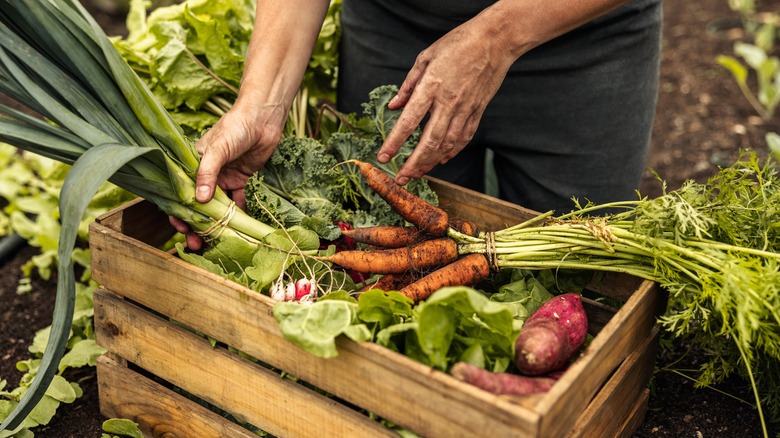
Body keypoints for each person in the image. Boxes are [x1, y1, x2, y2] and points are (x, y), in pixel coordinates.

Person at [171, 0, 662, 250]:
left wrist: (496, 36)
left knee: (578, 275)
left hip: (583, 38)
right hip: (396, 31)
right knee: (398, 247)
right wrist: (263, 102)